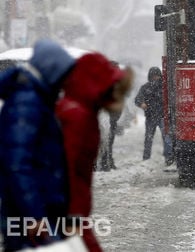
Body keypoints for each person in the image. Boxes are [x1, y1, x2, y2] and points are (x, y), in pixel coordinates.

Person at [0, 39, 76, 251]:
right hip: (30, 216)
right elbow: (17, 164)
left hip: (40, 210)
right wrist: (34, 215)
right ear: (51, 70)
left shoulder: (36, 98)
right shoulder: (27, 102)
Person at [56, 52, 133, 252]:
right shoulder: (77, 117)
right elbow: (66, 170)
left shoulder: (82, 112)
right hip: (66, 215)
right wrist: (72, 217)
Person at [135, 66, 174, 164]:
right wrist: (141, 104)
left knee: (166, 138)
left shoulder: (165, 87)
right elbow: (137, 99)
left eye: (157, 75)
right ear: (150, 76)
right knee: (149, 138)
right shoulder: (145, 87)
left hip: (162, 116)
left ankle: (168, 158)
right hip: (150, 117)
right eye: (153, 76)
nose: (155, 78)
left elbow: (171, 99)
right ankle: (146, 158)